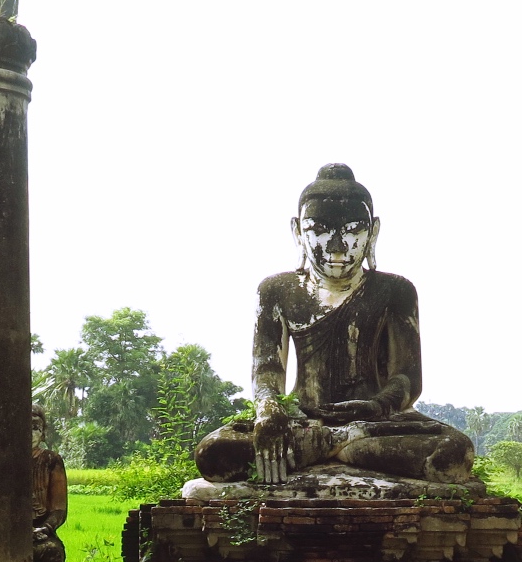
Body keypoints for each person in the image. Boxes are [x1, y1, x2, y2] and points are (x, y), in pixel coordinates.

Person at [194, 163, 475, 485]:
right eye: (320, 230)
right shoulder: (277, 290)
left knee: (453, 452)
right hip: (301, 418)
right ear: (298, 231)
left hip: (375, 422)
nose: (337, 246)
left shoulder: (395, 290)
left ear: (373, 232)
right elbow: (267, 371)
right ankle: (342, 447)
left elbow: (408, 377)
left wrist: (375, 407)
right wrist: (270, 410)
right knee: (214, 453)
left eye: (354, 230)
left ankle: (325, 446)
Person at [30, 403, 68, 562]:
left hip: (40, 534)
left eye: (35, 428)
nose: (30, 433)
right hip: (10, 534)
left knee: (50, 555)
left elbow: (59, 510)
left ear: (43, 432)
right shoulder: (4, 460)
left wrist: (44, 529)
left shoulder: (51, 461)